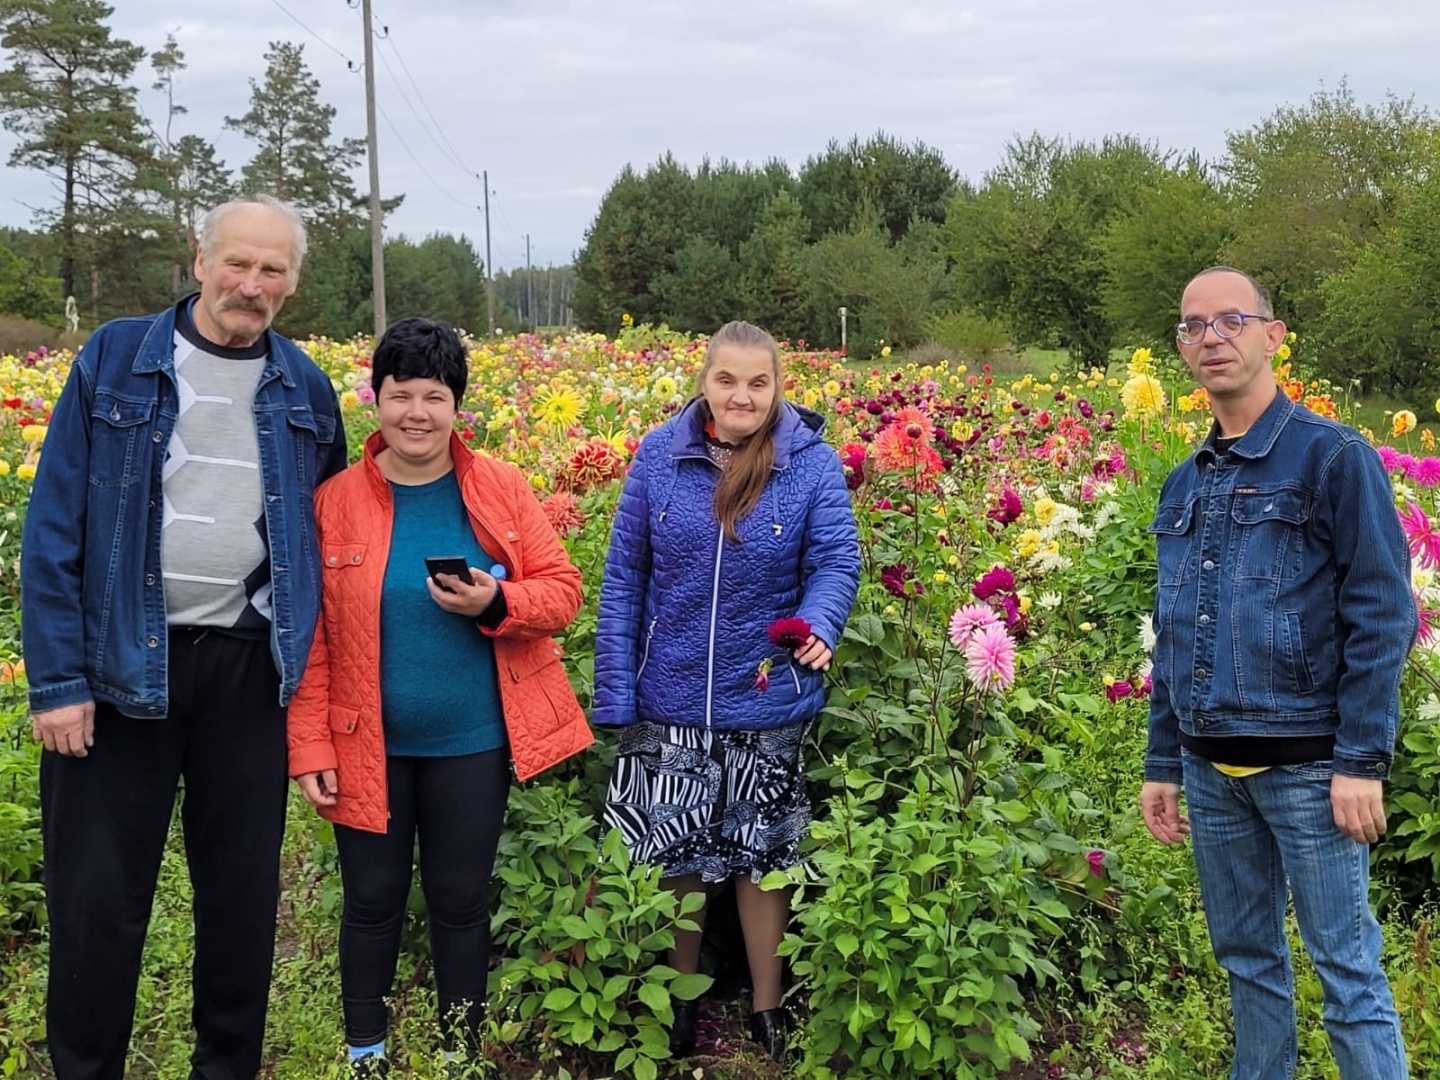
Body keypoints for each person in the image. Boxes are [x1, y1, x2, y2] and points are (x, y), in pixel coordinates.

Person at [20, 195, 347, 1080]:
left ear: (292, 282)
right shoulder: (117, 359)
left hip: (247, 672)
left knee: (240, 904)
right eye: (237, 263)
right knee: (97, 904)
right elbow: (52, 531)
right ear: (198, 260)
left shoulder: (306, 388)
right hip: (121, 667)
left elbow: (328, 549)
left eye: (271, 269)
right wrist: (56, 682)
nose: (251, 284)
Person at [287, 317, 594, 1077]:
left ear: (458, 406)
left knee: (460, 900)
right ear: (376, 400)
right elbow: (309, 638)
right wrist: (310, 745)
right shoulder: (334, 501)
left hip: (472, 740)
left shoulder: (497, 487)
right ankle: (367, 1054)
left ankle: (459, 1051)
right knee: (372, 901)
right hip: (367, 743)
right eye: (400, 396)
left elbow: (562, 593)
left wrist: (496, 601)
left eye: (434, 396)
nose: (415, 414)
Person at [1140, 266, 1414, 1080]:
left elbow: (1381, 613)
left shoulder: (1333, 459)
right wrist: (1163, 760)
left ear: (1272, 334)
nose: (1211, 338)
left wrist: (1361, 760)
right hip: (1209, 768)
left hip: (1311, 771)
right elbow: (1175, 629)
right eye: (1193, 327)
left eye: (1230, 320)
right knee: (1248, 964)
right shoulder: (1184, 482)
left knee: (1348, 974)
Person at [593, 319, 861, 1062]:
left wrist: (819, 620)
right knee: (674, 854)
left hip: (765, 690)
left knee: (762, 855)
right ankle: (680, 1004)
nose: (742, 396)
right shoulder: (659, 456)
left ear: (778, 388)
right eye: (727, 380)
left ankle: (769, 1008)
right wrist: (616, 694)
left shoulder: (809, 463)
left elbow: (837, 561)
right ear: (704, 380)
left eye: (758, 382)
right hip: (670, 694)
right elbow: (624, 580)